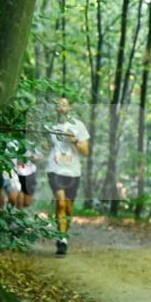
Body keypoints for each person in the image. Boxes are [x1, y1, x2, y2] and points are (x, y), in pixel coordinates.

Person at [46, 97, 90, 255]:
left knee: (69, 208)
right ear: (56, 108)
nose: (62, 106)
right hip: (54, 169)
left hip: (73, 171)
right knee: (61, 203)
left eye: (65, 103)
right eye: (59, 104)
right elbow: (45, 147)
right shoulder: (50, 126)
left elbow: (85, 151)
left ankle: (64, 233)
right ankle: (61, 239)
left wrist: (74, 141)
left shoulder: (78, 126)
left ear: (70, 108)